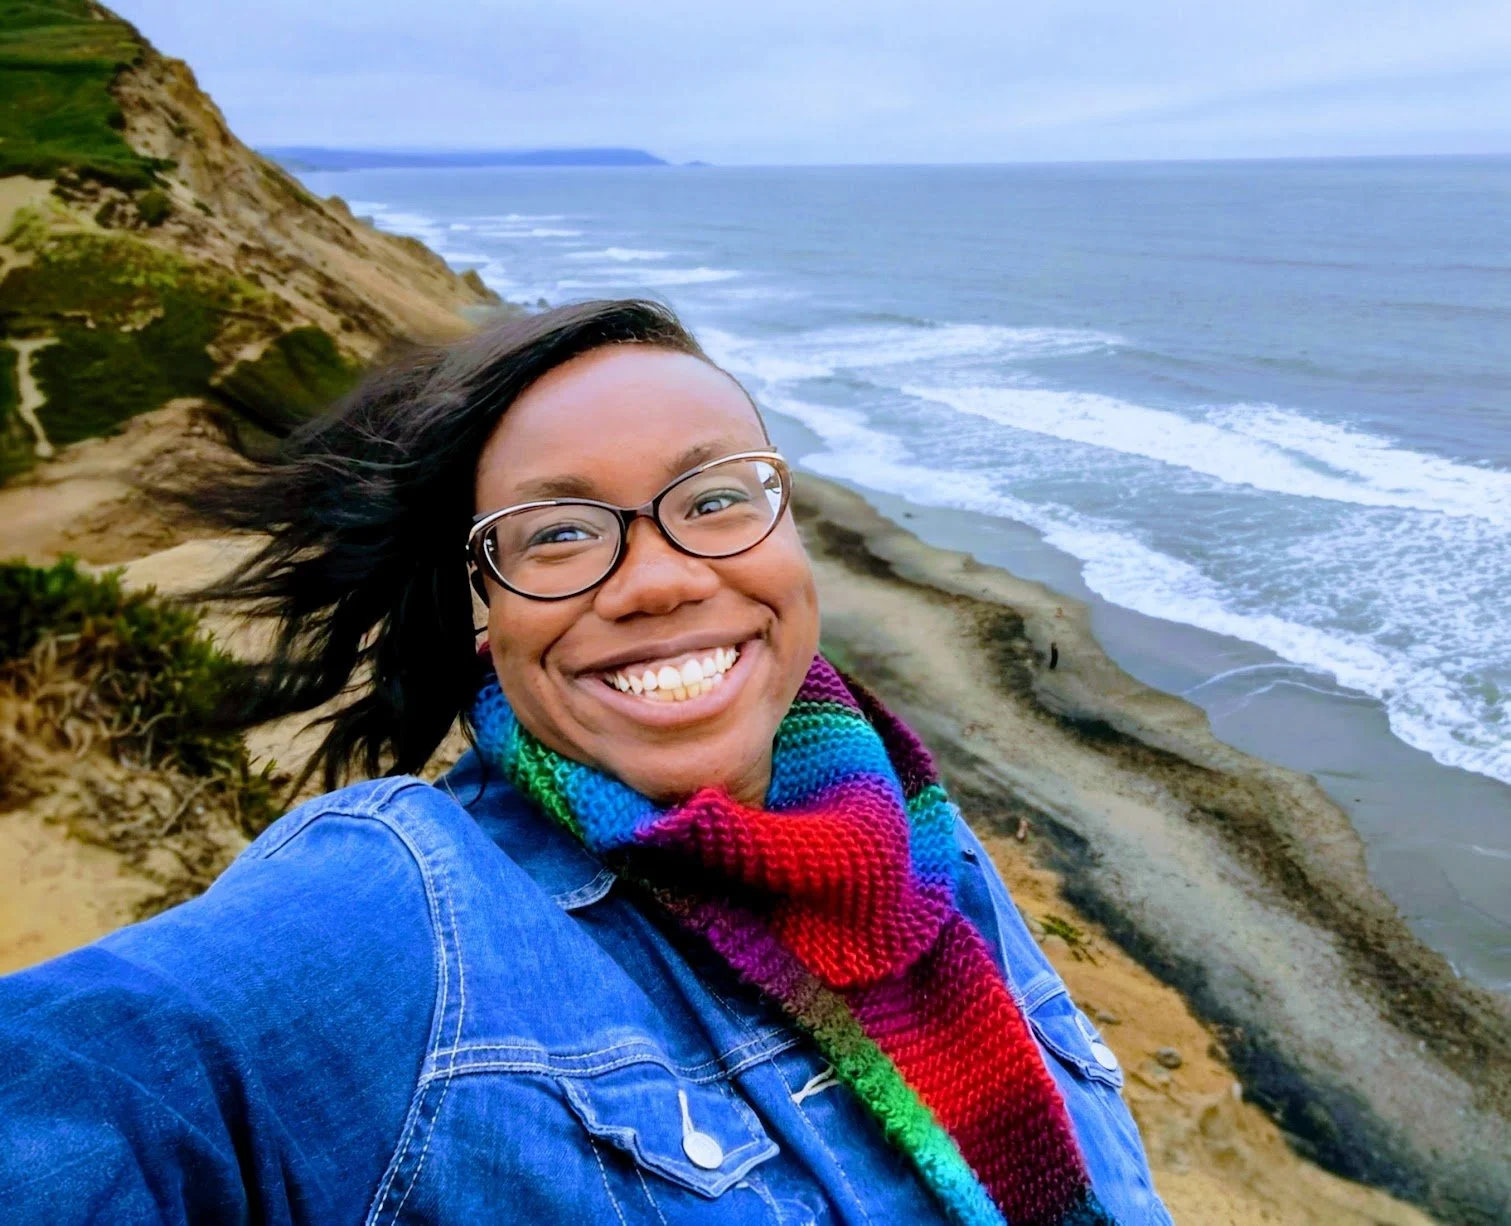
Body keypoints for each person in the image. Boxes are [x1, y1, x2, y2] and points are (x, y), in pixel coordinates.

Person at [0, 300, 1172, 1225]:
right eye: (558, 531)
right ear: (480, 598)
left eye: (715, 498)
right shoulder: (409, 909)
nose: (658, 577)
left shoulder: (918, 843)